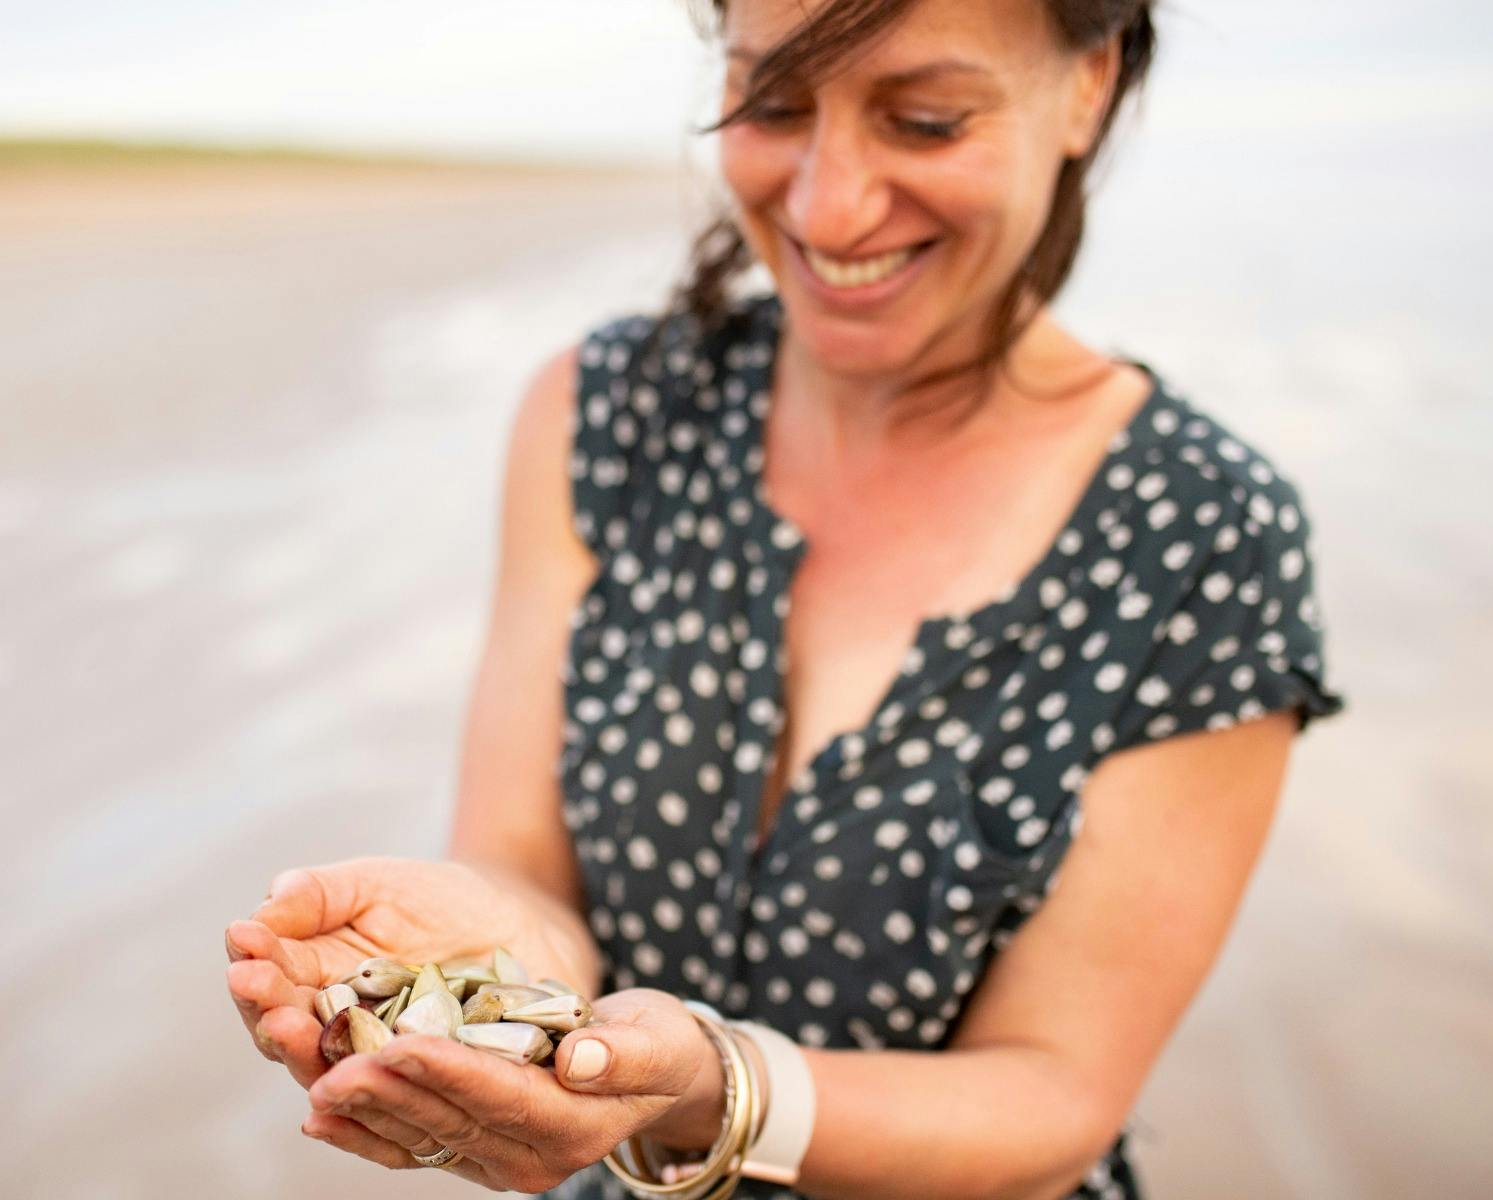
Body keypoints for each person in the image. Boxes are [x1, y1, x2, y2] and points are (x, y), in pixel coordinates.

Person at [224, 1, 1345, 1196]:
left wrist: (719, 1084)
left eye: (922, 121)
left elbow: (1057, 1094)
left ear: (1089, 82)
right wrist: (483, 947)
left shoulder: (1202, 534)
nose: (825, 206)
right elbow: (523, 872)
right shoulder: (606, 413)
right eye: (772, 103)